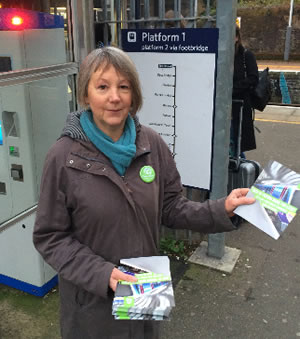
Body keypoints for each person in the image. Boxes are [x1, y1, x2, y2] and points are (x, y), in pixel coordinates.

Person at [33, 46, 255, 339]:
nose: (114, 97)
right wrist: (102, 274)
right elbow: (50, 236)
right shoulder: (63, 157)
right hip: (93, 303)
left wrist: (221, 208)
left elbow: (172, 207)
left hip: (145, 286)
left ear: (133, 95)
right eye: (102, 87)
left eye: (123, 87)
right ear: (85, 95)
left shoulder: (151, 144)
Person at [231, 25, 259, 158]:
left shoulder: (246, 55)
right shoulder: (219, 56)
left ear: (236, 37)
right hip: (223, 108)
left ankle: (240, 172)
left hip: (240, 106)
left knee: (236, 142)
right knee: (228, 142)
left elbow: (253, 78)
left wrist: (231, 90)